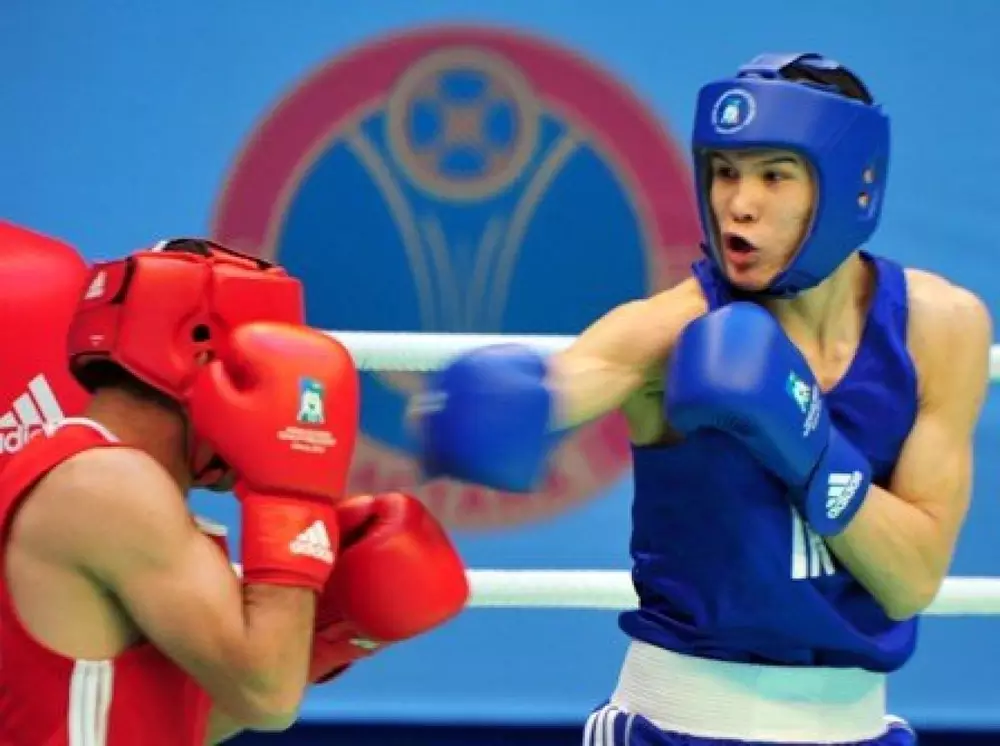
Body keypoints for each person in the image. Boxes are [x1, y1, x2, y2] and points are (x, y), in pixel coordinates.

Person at [410, 52, 993, 745]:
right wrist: (500, 409)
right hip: (677, 726)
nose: (737, 204)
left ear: (849, 186)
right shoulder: (669, 330)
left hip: (860, 729)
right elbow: (571, 379)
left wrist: (808, 449)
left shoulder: (938, 328)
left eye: (774, 175)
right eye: (724, 172)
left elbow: (912, 580)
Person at [0, 235, 469, 745]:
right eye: (261, 372)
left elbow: (188, 718)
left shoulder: (100, 478)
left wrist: (329, 633)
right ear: (199, 354)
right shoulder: (106, 488)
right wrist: (291, 498)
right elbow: (267, 699)